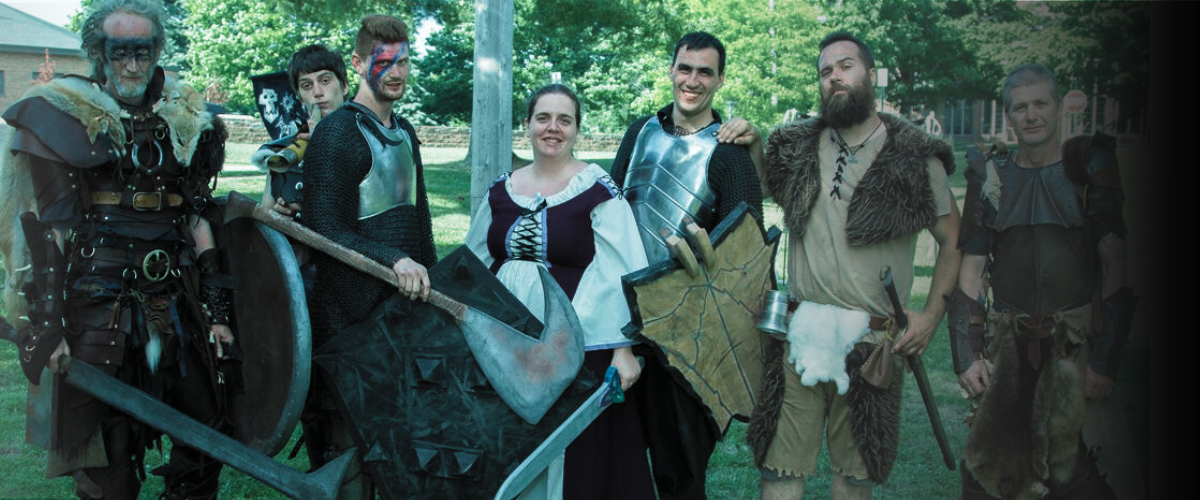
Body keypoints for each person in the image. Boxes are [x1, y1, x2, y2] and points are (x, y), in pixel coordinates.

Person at [0, 0, 234, 497]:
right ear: (98, 53)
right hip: (97, 307)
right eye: (119, 52)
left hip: (176, 303)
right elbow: (50, 231)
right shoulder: (65, 116)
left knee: (206, 433)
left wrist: (217, 314)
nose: (131, 64)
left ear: (156, 52)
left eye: (141, 52)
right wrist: (49, 326)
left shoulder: (184, 120)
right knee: (106, 464)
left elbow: (197, 217)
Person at [747, 31, 961, 500]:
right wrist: (754, 139)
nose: (835, 77)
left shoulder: (914, 157)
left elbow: (953, 241)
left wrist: (930, 316)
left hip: (872, 345)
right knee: (779, 469)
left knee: (854, 477)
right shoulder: (796, 148)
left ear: (870, 74)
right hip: (801, 336)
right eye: (826, 71)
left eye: (846, 66)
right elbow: (754, 186)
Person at [953, 64, 1144, 500]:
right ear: (1009, 116)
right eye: (1021, 107)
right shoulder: (991, 176)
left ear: (1058, 107)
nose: (1031, 115)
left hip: (1075, 348)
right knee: (995, 476)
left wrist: (1105, 362)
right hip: (1008, 349)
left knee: (1085, 477)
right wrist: (967, 356)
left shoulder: (1090, 169)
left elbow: (1115, 262)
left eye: (1040, 103)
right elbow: (972, 269)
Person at [465, 83, 653, 500]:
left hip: (575, 341)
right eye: (543, 118)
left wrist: (623, 349)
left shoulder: (597, 189)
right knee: (506, 437)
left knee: (572, 450)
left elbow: (623, 268)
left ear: (576, 129)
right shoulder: (501, 190)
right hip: (504, 340)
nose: (553, 128)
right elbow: (473, 261)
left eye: (564, 120)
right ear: (527, 124)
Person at [608, 30, 764, 500]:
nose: (692, 81)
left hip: (687, 336)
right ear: (672, 70)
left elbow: (746, 253)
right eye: (685, 68)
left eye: (704, 72)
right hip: (622, 322)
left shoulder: (730, 152)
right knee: (615, 465)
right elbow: (609, 214)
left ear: (720, 79)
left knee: (680, 475)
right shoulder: (640, 132)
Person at [301, 14, 436, 500]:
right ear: (358, 64)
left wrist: (432, 284)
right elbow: (324, 230)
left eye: (403, 61)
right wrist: (392, 259)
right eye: (384, 62)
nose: (395, 72)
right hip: (349, 319)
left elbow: (420, 224)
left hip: (400, 316)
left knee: (400, 447)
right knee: (349, 454)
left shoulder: (405, 132)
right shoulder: (336, 134)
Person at [251, 43, 350, 220]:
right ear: (300, 96)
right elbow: (266, 219)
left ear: (344, 86)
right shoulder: (284, 150)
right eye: (306, 85)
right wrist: (279, 214)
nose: (317, 92)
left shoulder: (369, 138)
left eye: (325, 81)